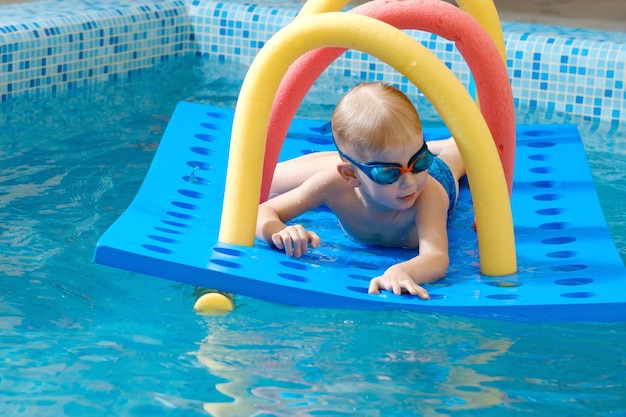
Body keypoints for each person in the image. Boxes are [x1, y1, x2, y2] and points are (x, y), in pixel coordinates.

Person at [255, 82, 465, 300]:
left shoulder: (426, 193)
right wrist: (278, 232)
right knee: (268, 180)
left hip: (440, 177)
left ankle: (440, 147)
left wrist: (402, 271)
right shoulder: (334, 184)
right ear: (351, 175)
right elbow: (262, 212)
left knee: (459, 154)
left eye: (420, 159)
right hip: (356, 170)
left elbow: (436, 257)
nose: (409, 182)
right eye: (388, 173)